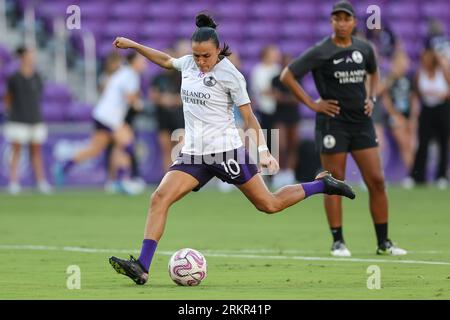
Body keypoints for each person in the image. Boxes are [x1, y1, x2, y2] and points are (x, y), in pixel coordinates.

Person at [108, 13, 355, 285]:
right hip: (194, 154)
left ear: (218, 51)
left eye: (206, 56)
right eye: (196, 55)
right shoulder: (189, 64)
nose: (200, 62)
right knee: (159, 198)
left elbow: (249, 118)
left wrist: (263, 151)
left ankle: (322, 185)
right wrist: (134, 45)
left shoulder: (231, 75)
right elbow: (166, 60)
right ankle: (142, 266)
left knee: (269, 205)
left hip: (227, 152)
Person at [280, 1, 407, 257]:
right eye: (336, 19)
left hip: (361, 123)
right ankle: (338, 241)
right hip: (332, 123)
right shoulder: (321, 50)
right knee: (334, 181)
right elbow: (287, 75)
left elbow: (374, 72)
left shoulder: (364, 48)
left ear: (354, 22)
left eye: (346, 18)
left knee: (377, 181)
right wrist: (313, 104)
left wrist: (371, 98)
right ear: (332, 22)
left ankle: (384, 243)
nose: (341, 23)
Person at [54, 52, 147, 194]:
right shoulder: (131, 76)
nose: (144, 64)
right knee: (127, 145)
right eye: (141, 61)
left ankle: (64, 166)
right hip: (110, 118)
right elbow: (129, 98)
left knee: (95, 150)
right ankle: (124, 181)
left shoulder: (123, 73)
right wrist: (139, 104)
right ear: (133, 62)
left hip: (102, 115)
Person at [3, 46, 52, 194]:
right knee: (16, 151)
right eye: (29, 55)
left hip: (35, 119)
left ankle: (40, 181)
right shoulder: (14, 77)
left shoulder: (37, 76)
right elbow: (8, 99)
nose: (32, 58)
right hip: (18, 119)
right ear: (23, 57)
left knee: (36, 152)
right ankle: (13, 182)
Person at [407, 46, 450, 189]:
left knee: (443, 143)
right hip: (426, 110)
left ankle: (442, 177)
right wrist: (415, 114)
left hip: (442, 109)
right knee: (422, 143)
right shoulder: (420, 73)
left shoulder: (443, 72)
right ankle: (417, 177)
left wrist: (442, 95)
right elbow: (416, 93)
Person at [381, 50, 420, 174]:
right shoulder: (390, 79)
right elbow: (385, 99)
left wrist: (413, 118)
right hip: (395, 117)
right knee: (404, 143)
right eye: (401, 61)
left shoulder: (409, 78)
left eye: (405, 61)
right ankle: (412, 173)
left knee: (411, 145)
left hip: (408, 116)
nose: (404, 64)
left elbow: (414, 99)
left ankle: (414, 173)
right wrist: (395, 115)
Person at [271, 54, 301, 188]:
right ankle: (279, 173)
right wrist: (290, 98)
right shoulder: (276, 79)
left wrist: (284, 98)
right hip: (280, 116)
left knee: (292, 146)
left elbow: (297, 99)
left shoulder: (296, 79)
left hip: (293, 117)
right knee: (280, 147)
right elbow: (277, 97)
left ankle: (289, 173)